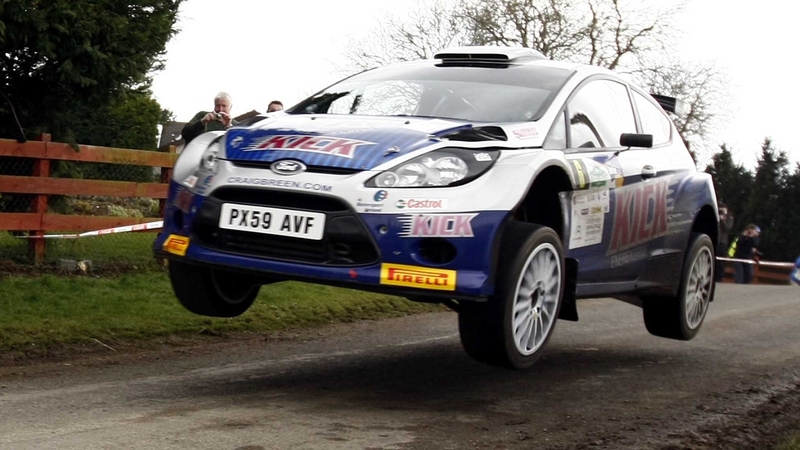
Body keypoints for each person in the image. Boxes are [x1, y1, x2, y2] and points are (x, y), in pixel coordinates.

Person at [715, 203, 735, 282]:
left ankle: (720, 277)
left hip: (722, 242)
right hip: (715, 240)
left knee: (721, 260)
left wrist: (723, 220)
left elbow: (728, 228)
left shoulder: (729, 218)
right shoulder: (716, 215)